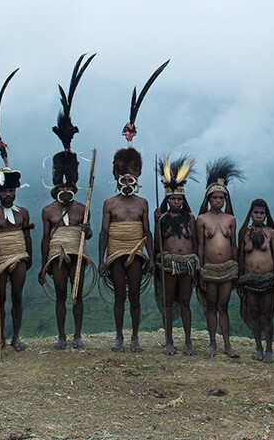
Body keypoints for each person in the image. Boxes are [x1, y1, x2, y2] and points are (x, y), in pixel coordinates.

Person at [99, 61, 168, 353]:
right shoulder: (109, 203)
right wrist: (102, 258)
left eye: (131, 177)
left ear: (136, 178)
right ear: (118, 178)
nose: (127, 182)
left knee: (136, 298)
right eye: (123, 178)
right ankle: (118, 336)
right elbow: (103, 232)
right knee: (119, 297)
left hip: (138, 253)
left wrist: (151, 257)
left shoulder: (143, 203)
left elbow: (148, 232)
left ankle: (136, 337)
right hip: (115, 253)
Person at [38, 54, 96, 349]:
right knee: (61, 293)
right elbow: (45, 237)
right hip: (56, 254)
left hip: (78, 253)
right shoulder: (48, 210)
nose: (66, 190)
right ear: (55, 186)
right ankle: (61, 336)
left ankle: (77, 335)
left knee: (77, 292)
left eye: (70, 185)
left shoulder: (81, 207)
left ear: (74, 185)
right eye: (62, 186)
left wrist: (86, 232)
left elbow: (90, 232)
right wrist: (42, 264)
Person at [196, 158, 242, 358]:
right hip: (209, 268)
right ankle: (212, 343)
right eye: (214, 198)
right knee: (211, 305)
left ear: (225, 199)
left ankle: (227, 344)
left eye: (221, 198)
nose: (218, 201)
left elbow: (233, 246)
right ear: (208, 199)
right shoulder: (202, 219)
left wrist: (236, 270)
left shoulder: (230, 219)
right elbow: (200, 245)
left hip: (227, 268)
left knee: (223, 306)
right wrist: (200, 271)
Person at [153, 154, 198, 355]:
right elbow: (157, 244)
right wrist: (155, 221)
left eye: (179, 198)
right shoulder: (161, 219)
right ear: (167, 199)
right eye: (173, 198)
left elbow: (195, 242)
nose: (176, 201)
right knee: (168, 303)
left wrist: (197, 266)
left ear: (183, 199)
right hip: (169, 265)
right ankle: (169, 341)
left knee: (185, 302)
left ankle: (188, 341)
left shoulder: (190, 218)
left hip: (187, 265)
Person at [0, 167, 33, 351]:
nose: (8, 194)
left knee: (17, 296)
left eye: (11, 191)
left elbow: (27, 237)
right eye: (4, 191)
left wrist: (30, 257)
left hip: (19, 256)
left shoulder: (23, 213)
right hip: (1, 258)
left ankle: (16, 337)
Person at [237, 198, 274, 362]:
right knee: (254, 313)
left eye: (262, 213)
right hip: (249, 280)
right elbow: (241, 256)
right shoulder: (244, 233)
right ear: (251, 213)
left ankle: (269, 349)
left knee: (267, 315)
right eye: (255, 212)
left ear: (266, 214)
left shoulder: (271, 233)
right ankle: (258, 348)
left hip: (267, 279)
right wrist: (240, 278)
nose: (258, 215)